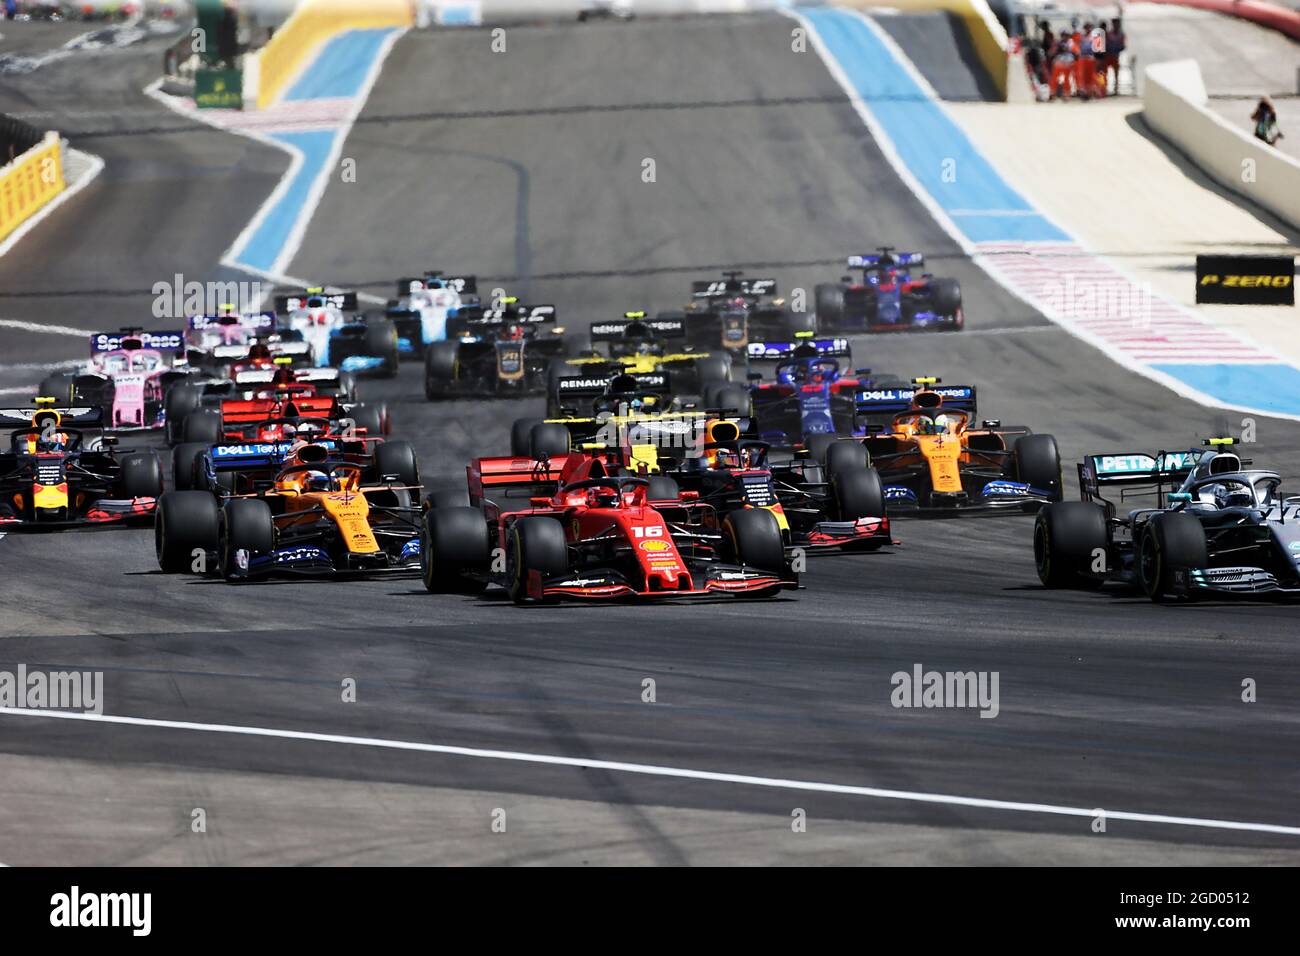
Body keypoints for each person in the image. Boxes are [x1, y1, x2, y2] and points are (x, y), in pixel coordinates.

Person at [1104, 19, 1125, 95]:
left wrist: (1117, 48)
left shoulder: (1121, 35)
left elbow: (1123, 46)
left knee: (1116, 74)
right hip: (1108, 56)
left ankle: (1116, 89)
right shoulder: (1108, 34)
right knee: (1104, 73)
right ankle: (1104, 88)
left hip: (1115, 56)